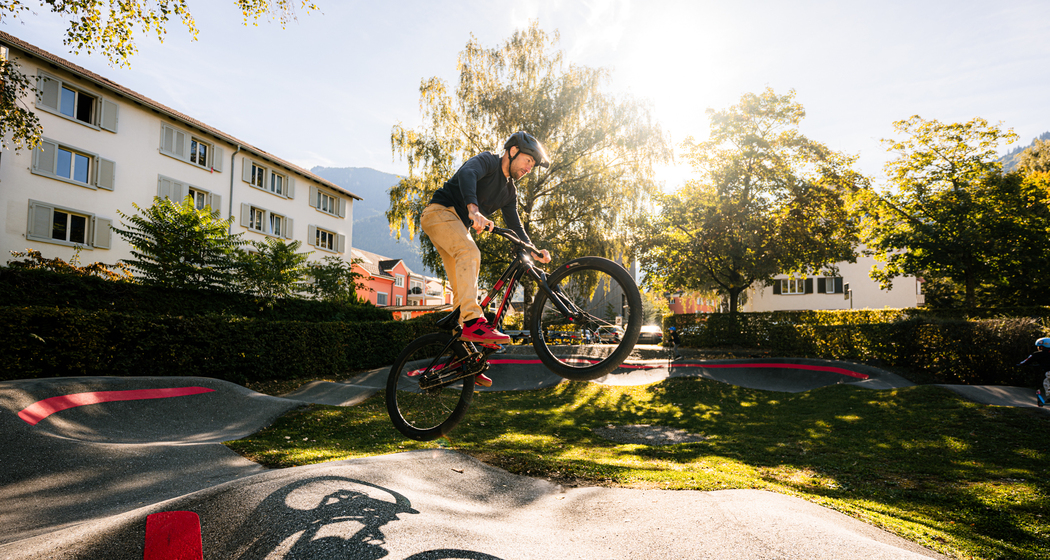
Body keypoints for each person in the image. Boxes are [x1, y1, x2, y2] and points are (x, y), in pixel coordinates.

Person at [421, 132, 552, 387]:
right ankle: (473, 322)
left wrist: (533, 250)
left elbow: (515, 225)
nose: (528, 169)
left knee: (463, 296)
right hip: (439, 212)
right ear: (512, 151)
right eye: (527, 161)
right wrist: (473, 209)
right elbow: (467, 174)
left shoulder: (509, 192)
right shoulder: (488, 162)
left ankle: (465, 358)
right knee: (470, 253)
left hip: (455, 225)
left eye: (532, 166)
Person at [1018, 337, 1050, 406]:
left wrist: (1021, 364)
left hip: (1049, 372)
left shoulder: (1038, 354)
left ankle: (1049, 398)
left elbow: (1027, 360)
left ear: (1041, 347)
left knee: (1047, 383)